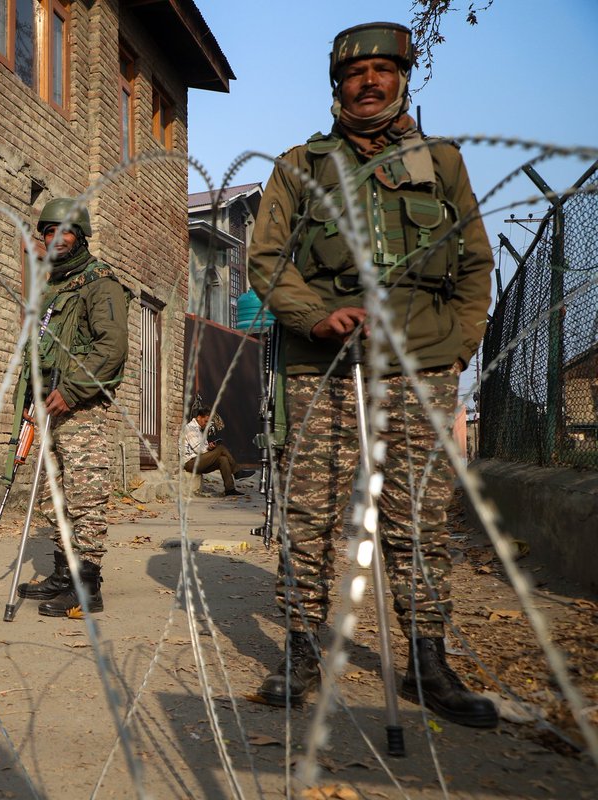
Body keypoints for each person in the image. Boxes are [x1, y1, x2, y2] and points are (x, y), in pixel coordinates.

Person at [247, 22, 497, 728]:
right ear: (337, 86)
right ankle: (300, 648)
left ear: (402, 79)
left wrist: (460, 344)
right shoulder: (298, 165)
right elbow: (265, 262)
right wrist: (314, 315)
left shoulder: (440, 163)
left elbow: (475, 262)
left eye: (383, 70)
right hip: (321, 367)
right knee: (311, 513)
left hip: (420, 363)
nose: (369, 82)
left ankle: (427, 659)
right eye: (356, 74)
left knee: (417, 517)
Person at [13, 197, 129, 617]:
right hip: (49, 405)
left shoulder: (101, 282)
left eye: (65, 231)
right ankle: (64, 573)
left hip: (83, 407)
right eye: (49, 231)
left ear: (79, 237)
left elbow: (112, 347)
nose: (56, 238)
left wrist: (74, 390)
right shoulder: (55, 286)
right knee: (54, 495)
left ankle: (87, 584)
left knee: (85, 495)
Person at [183, 405, 255, 496]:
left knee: (223, 459)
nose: (206, 424)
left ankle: (230, 489)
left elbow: (203, 448)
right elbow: (198, 450)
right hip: (190, 463)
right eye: (205, 421)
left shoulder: (200, 430)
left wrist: (209, 446)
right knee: (221, 448)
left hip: (200, 460)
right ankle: (237, 471)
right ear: (198, 417)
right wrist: (209, 448)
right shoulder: (190, 428)